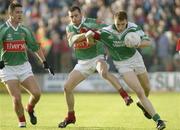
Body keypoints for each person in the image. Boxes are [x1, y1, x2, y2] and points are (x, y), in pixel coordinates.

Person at [86, 10, 166, 130]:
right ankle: (158, 120)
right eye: (118, 24)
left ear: (126, 22)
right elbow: (91, 40)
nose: (120, 27)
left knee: (147, 88)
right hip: (122, 64)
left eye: (123, 24)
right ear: (114, 22)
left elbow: (148, 42)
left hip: (136, 59)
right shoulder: (106, 31)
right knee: (139, 91)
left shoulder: (133, 28)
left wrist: (136, 43)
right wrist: (88, 37)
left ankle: (141, 103)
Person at [58, 6, 133, 128]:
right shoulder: (70, 27)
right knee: (67, 88)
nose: (74, 18)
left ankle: (125, 96)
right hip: (82, 62)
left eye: (76, 15)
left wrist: (98, 34)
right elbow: (72, 40)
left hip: (97, 57)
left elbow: (108, 30)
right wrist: (86, 34)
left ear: (81, 14)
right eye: (71, 16)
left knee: (103, 73)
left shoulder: (93, 22)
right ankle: (71, 116)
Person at [0, 2, 54, 127]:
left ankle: (29, 108)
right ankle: (22, 122)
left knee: (36, 94)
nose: (20, 15)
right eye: (17, 12)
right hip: (8, 68)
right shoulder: (2, 30)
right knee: (16, 98)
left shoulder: (25, 29)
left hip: (24, 67)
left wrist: (45, 62)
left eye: (21, 12)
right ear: (10, 13)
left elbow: (35, 47)